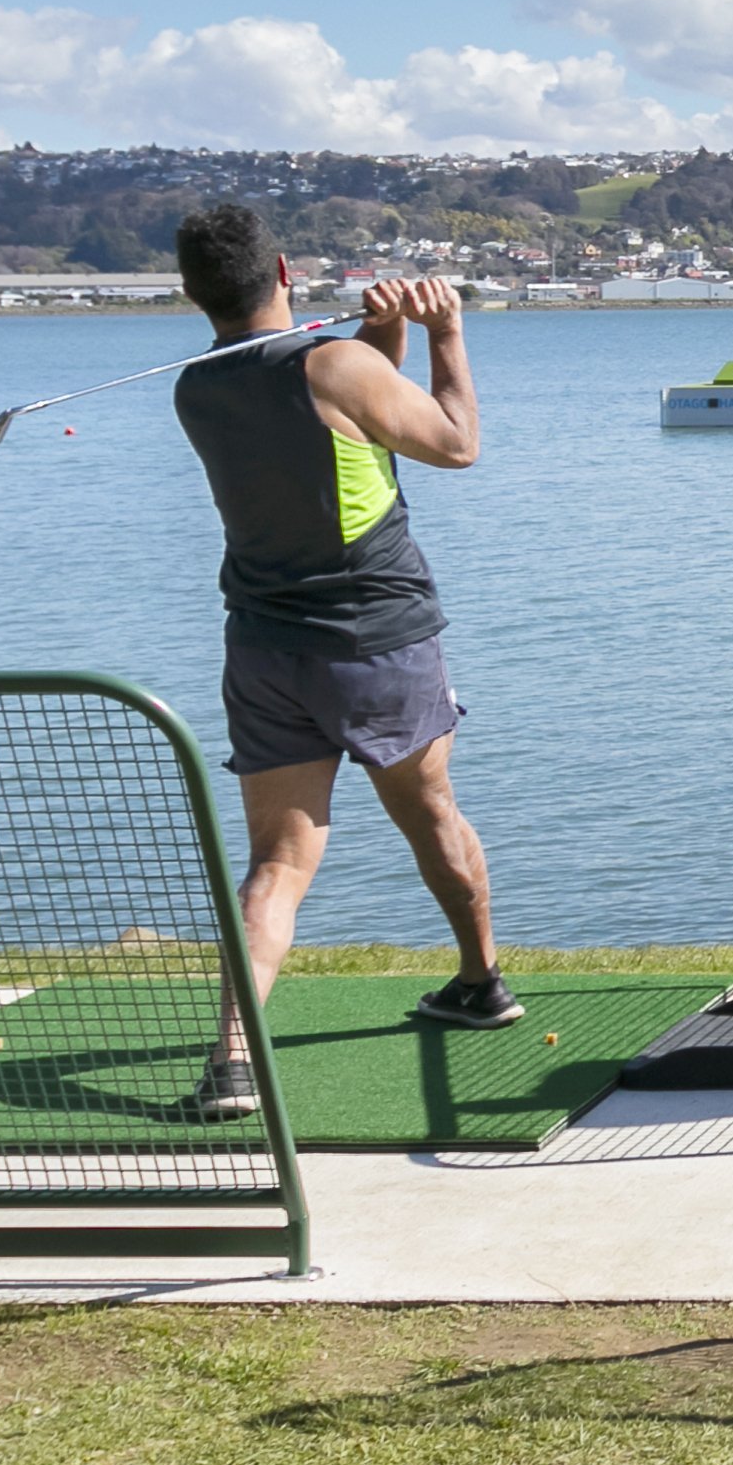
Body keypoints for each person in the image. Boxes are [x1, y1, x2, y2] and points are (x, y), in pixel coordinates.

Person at [169, 202, 513, 1120]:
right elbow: (451, 442)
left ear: (192, 293)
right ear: (284, 270)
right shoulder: (339, 364)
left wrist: (379, 332)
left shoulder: (196, 388)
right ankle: (481, 982)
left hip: (268, 650)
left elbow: (343, 422)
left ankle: (232, 1064)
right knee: (431, 814)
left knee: (276, 867)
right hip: (381, 644)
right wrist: (444, 333)